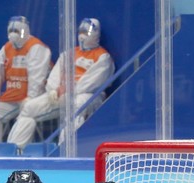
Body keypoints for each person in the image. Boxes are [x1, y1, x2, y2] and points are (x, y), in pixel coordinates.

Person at [7, 18, 115, 150]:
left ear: (96, 33)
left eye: (86, 32)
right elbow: (55, 75)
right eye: (81, 31)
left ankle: (65, 150)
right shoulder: (69, 53)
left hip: (88, 96)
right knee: (29, 108)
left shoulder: (103, 57)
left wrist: (70, 89)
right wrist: (54, 90)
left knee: (76, 106)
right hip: (63, 94)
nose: (82, 35)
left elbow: (92, 82)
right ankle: (15, 149)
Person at [0, 16, 51, 143]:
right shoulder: (6, 48)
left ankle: (14, 151)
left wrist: (31, 98)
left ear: (24, 30)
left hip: (34, 98)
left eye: (17, 31)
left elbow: (37, 78)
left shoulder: (36, 47)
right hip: (11, 98)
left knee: (26, 117)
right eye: (10, 31)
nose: (13, 35)